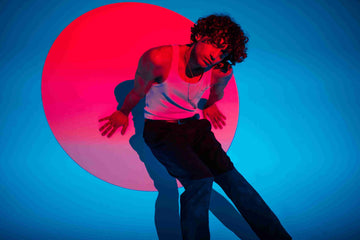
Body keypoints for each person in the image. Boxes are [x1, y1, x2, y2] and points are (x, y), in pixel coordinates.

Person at [99, 14, 292, 240]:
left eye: (223, 52)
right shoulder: (158, 58)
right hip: (161, 131)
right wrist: (122, 112)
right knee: (200, 180)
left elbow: (215, 93)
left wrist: (210, 105)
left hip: (195, 127)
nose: (215, 55)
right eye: (214, 44)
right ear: (199, 35)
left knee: (234, 180)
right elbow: (138, 91)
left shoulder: (220, 69)